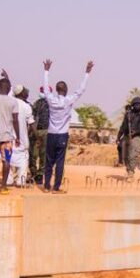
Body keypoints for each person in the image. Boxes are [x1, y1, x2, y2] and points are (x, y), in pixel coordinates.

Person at [42, 59, 93, 193]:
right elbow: (81, 90)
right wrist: (87, 73)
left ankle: (46, 186)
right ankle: (56, 187)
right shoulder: (69, 100)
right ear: (66, 90)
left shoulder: (51, 99)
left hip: (51, 134)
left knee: (48, 160)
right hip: (62, 135)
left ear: (57, 90)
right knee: (59, 162)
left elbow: (46, 89)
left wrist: (46, 71)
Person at [9, 86, 35, 186]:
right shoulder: (26, 106)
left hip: (10, 137)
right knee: (23, 159)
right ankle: (21, 180)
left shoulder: (10, 103)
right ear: (21, 93)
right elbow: (31, 123)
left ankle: (9, 179)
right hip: (22, 138)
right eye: (25, 91)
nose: (27, 93)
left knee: (9, 158)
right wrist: (37, 136)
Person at [118, 97, 140, 178]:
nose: (137, 106)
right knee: (126, 156)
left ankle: (131, 172)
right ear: (132, 105)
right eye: (136, 104)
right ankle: (128, 170)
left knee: (133, 155)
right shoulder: (128, 114)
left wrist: (137, 132)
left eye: (139, 104)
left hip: (136, 137)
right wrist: (119, 137)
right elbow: (123, 126)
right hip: (127, 136)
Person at [30, 88, 50, 178]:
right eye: (42, 91)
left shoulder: (51, 104)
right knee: (34, 153)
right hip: (36, 130)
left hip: (47, 130)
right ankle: (33, 172)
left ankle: (40, 174)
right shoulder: (36, 103)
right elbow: (32, 118)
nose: (42, 93)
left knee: (44, 153)